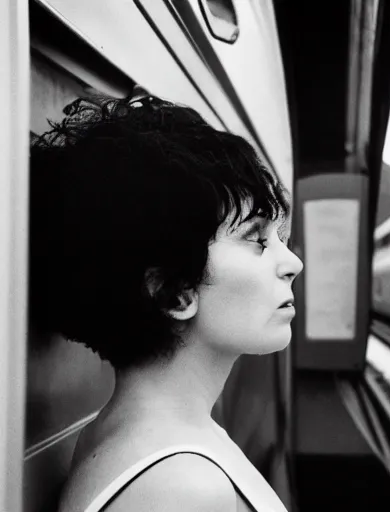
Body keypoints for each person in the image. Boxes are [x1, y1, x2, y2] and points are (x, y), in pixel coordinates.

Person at [29, 93, 303, 512]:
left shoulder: (130, 434)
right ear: (172, 292)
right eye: (256, 239)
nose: (293, 263)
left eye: (280, 239)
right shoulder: (182, 487)